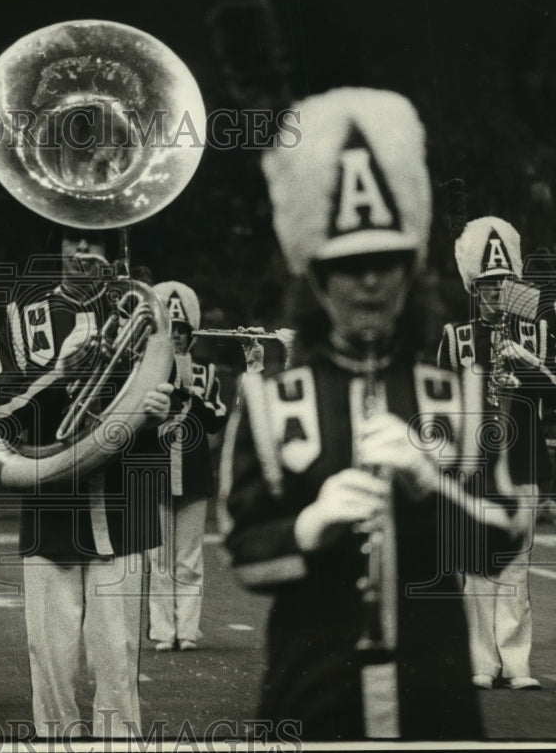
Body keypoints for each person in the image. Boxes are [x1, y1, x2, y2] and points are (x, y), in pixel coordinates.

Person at [224, 87, 532, 740]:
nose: (368, 282)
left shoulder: (458, 392)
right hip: (309, 698)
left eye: (385, 263)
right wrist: (310, 525)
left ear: (411, 270)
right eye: (349, 265)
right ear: (314, 278)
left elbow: (500, 546)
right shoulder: (271, 399)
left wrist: (434, 486)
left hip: (437, 699)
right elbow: (245, 554)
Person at [0, 228, 171, 739]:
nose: (84, 251)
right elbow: (1, 411)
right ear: (61, 247)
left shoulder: (141, 315)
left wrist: (160, 413)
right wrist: (62, 373)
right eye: (74, 240)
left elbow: (176, 409)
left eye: (96, 244)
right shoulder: (28, 317)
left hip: (123, 505)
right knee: (50, 655)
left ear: (112, 256)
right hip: (52, 508)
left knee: (116, 655)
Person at [439, 216, 555, 690]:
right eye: (487, 286)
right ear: (474, 287)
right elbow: (441, 405)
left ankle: (517, 660)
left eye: (503, 285)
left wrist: (522, 368)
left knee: (516, 563)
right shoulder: (457, 338)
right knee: (474, 564)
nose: (494, 295)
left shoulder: (534, 336)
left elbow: (552, 392)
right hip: (474, 467)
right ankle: (481, 660)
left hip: (523, 461)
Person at [146, 281, 227, 652]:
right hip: (157, 474)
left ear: (191, 335)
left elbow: (216, 422)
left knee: (189, 558)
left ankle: (187, 630)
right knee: (159, 558)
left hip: (193, 475)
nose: (176, 337)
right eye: (170, 330)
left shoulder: (206, 373)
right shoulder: (145, 375)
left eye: (182, 331)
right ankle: (163, 631)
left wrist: (191, 391)